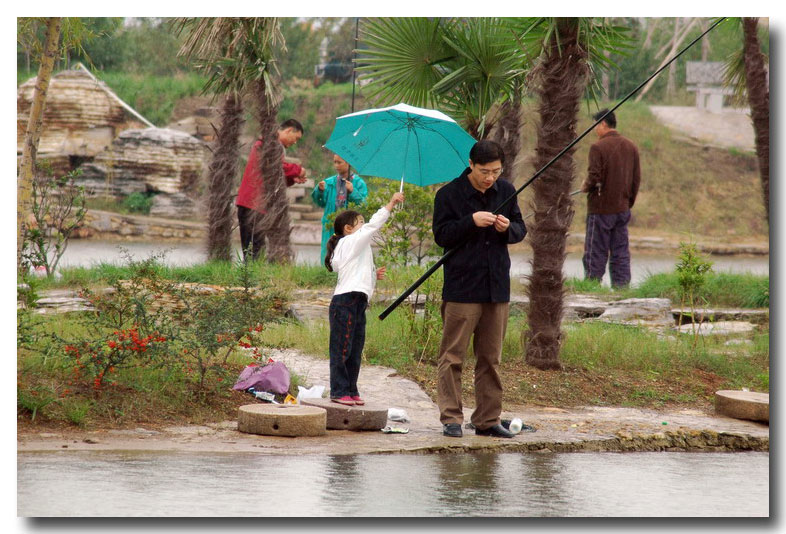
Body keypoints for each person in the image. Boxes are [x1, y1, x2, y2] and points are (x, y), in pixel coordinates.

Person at [432, 140, 527, 438]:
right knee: (452, 356)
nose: (490, 178)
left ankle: (487, 420)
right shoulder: (449, 194)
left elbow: (520, 229)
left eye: (496, 171)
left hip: (496, 286)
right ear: (471, 164)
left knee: (490, 358)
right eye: (485, 171)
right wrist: (470, 221)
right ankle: (451, 418)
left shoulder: (507, 191)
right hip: (462, 286)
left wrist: (506, 228)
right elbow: (442, 235)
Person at [325, 191, 405, 406]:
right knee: (341, 348)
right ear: (348, 229)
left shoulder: (357, 247)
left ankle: (351, 389)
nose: (365, 224)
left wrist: (372, 274)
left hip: (358, 301)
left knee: (355, 349)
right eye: (360, 222)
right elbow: (373, 226)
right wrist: (390, 203)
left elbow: (358, 276)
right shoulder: (349, 241)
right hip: (345, 301)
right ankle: (339, 390)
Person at [580, 109, 641, 288]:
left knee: (595, 250)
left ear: (603, 124)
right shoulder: (631, 146)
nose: (594, 130)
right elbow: (636, 179)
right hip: (622, 209)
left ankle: (592, 285)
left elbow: (594, 176)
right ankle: (621, 287)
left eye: (595, 126)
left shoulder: (598, 147)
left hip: (600, 209)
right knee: (620, 251)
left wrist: (585, 186)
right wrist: (628, 203)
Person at [236, 119, 307, 260]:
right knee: (253, 246)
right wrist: (297, 170)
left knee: (253, 246)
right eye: (296, 138)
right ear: (289, 130)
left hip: (250, 202)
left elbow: (272, 176)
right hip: (253, 203)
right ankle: (251, 278)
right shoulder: (268, 145)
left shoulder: (266, 144)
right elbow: (274, 166)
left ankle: (250, 277)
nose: (295, 142)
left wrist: (292, 179)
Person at [312, 153, 369, 264]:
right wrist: (320, 191)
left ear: (348, 163)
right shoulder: (329, 183)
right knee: (329, 251)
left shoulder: (358, 183)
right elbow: (320, 202)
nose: (336, 165)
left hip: (351, 225)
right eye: (334, 162)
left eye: (339, 162)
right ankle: (326, 273)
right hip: (331, 225)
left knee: (349, 254)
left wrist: (352, 191)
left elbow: (364, 205)